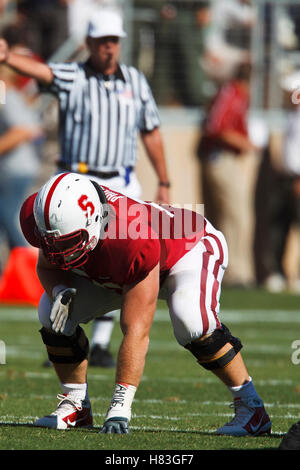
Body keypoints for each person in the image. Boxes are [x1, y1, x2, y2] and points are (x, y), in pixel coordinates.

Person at [19, 171, 271, 435]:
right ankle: (76, 405)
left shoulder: (130, 237)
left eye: (69, 243)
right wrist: (59, 289)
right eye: (53, 244)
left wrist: (120, 407)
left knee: (192, 321)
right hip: (116, 266)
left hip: (187, 250)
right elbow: (47, 264)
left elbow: (136, 330)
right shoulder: (43, 217)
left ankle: (251, 407)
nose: (61, 254)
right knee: (51, 312)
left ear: (94, 219)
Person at [0, 8, 170, 367]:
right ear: (89, 43)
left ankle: (103, 345)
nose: (110, 48)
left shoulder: (135, 81)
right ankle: (65, 336)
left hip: (119, 183)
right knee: (66, 259)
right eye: (103, 41)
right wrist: (6, 57)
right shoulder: (74, 76)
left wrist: (164, 180)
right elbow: (43, 70)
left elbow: (151, 131)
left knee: (119, 261)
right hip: (74, 183)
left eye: (114, 41)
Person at [198, 63, 260, 287]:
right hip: (221, 158)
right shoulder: (233, 93)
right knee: (236, 216)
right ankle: (234, 272)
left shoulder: (231, 93)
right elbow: (217, 127)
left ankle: (226, 269)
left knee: (230, 216)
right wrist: (245, 143)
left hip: (221, 158)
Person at [0, 61, 41, 270]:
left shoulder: (6, 97)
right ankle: (11, 273)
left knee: (8, 216)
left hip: (13, 169)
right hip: (17, 167)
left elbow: (25, 130)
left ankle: (29, 268)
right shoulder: (14, 96)